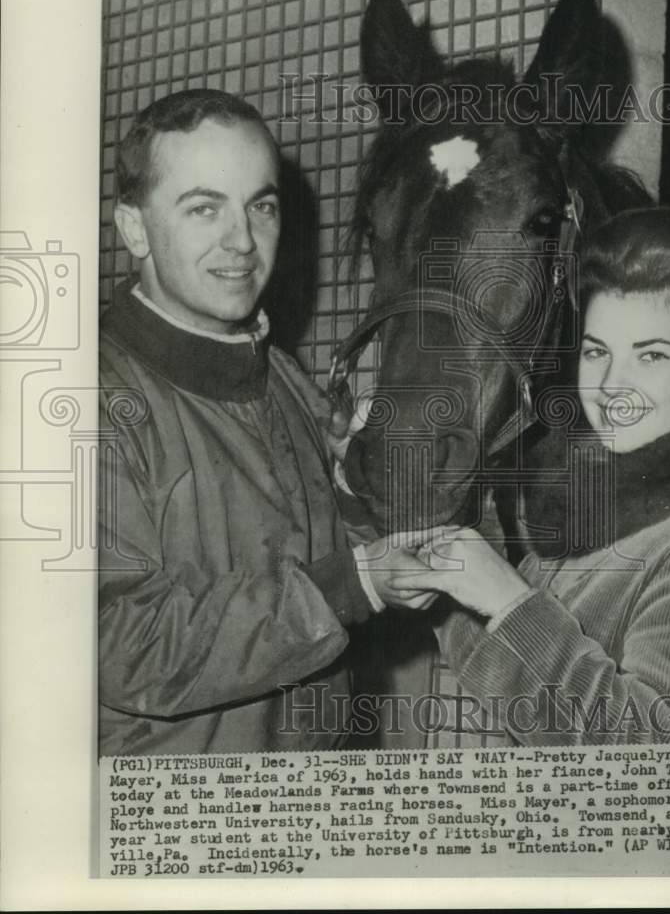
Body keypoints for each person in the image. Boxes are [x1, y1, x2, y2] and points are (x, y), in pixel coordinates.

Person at [98, 89, 430, 756]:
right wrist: (346, 587)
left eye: (262, 205)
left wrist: (356, 486)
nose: (242, 241)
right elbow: (117, 643)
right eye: (203, 207)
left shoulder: (284, 378)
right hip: (165, 826)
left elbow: (339, 565)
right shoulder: (83, 399)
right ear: (134, 228)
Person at [380, 208, 670, 744]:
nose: (612, 386)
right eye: (597, 352)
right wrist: (447, 576)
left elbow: (659, 770)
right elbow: (516, 688)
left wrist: (510, 600)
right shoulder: (589, 505)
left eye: (651, 356)